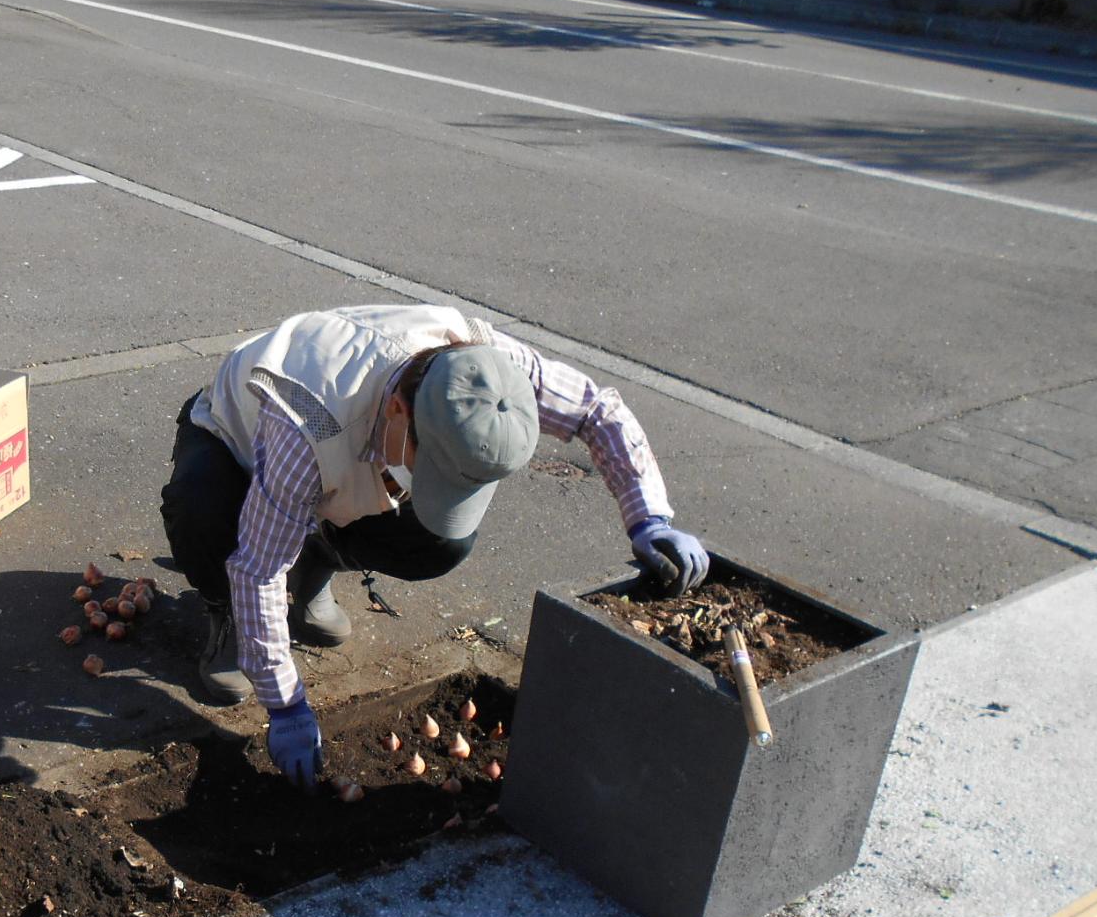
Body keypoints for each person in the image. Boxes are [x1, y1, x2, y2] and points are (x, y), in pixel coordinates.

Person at [159, 304, 707, 792]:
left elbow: (596, 411)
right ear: (400, 411)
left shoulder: (488, 368)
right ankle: (223, 612)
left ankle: (317, 566)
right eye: (436, 469)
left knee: (441, 542)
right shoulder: (308, 423)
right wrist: (284, 703)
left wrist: (649, 517)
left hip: (346, 455)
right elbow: (258, 569)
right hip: (234, 437)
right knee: (205, 513)